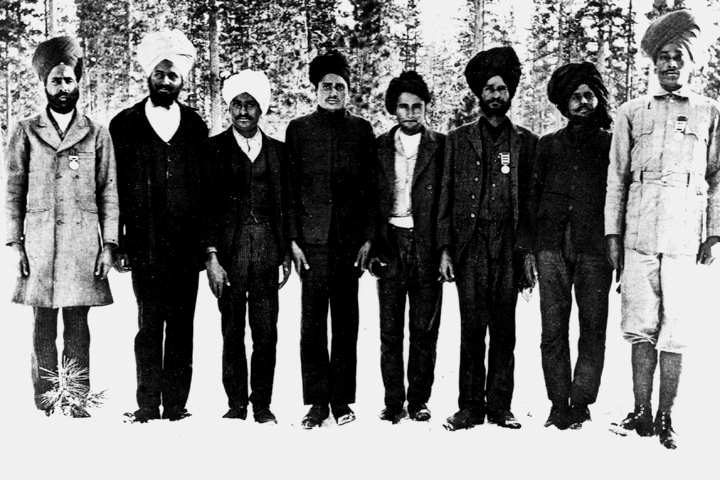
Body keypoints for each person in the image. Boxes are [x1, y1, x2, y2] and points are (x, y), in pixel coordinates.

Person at [606, 9, 720, 450]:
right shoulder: (631, 112)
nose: (671, 64)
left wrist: (713, 233)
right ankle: (641, 411)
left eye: (678, 57)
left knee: (677, 328)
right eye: (663, 58)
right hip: (639, 233)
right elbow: (617, 177)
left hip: (685, 237)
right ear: (653, 64)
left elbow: (717, 178)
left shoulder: (709, 112)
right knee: (640, 325)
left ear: (692, 63)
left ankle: (667, 415)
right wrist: (613, 235)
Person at [4, 36, 118, 416]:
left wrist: (108, 245)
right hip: (39, 242)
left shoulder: (96, 133)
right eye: (56, 81)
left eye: (69, 80)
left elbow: (109, 192)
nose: (64, 88)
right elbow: (13, 190)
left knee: (78, 322)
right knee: (42, 321)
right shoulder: (25, 130)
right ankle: (47, 398)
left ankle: (76, 396)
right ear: (45, 85)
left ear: (78, 82)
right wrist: (15, 243)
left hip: (82, 242)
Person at [109, 29, 208, 423]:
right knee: (148, 325)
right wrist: (119, 243)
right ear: (148, 75)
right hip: (144, 244)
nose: (165, 81)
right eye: (160, 74)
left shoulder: (195, 125)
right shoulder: (124, 124)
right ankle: (147, 404)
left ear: (183, 81)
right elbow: (114, 189)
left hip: (185, 246)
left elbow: (204, 190)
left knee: (182, 326)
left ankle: (177, 405)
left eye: (173, 75)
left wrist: (204, 246)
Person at [437, 46, 538, 431]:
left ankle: (500, 406)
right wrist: (446, 248)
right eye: (489, 89)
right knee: (471, 329)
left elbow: (531, 202)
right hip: (471, 245)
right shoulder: (457, 140)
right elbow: (445, 196)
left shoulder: (526, 141)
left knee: (504, 330)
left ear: (510, 93)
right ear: (479, 94)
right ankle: (469, 407)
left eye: (502, 88)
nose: (496, 95)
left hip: (509, 246)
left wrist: (527, 252)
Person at [516, 62, 613, 430]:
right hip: (551, 247)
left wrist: (615, 245)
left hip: (594, 249)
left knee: (593, 328)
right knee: (553, 329)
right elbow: (532, 198)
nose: (582, 102)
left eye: (588, 95)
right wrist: (528, 250)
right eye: (575, 96)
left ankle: (582, 401)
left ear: (598, 99)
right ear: (563, 104)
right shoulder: (548, 144)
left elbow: (619, 194)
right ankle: (558, 403)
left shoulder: (611, 144)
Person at [285, 50, 376, 428]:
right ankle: (316, 402)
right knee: (311, 325)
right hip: (312, 243)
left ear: (349, 90)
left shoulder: (362, 130)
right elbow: (290, 190)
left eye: (340, 86)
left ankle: (340, 401)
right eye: (327, 86)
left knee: (346, 322)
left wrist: (369, 238)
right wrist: (293, 239)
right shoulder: (299, 129)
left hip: (349, 244)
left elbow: (372, 189)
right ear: (316, 90)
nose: (333, 92)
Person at [201, 70, 291, 424]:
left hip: (267, 246)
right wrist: (211, 256)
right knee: (232, 328)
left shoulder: (278, 152)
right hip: (230, 250)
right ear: (229, 107)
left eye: (250, 104)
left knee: (266, 330)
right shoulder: (212, 150)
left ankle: (262, 404)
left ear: (261, 108)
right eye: (237, 104)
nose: (243, 111)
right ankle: (236, 403)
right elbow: (206, 208)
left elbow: (285, 205)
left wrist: (285, 252)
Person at [371, 71, 445, 424]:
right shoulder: (379, 146)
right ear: (394, 109)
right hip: (391, 243)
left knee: (424, 330)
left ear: (426, 108)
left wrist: (444, 249)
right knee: (389, 330)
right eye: (404, 106)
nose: (411, 113)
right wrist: (373, 246)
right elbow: (370, 200)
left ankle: (418, 400)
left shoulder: (441, 145)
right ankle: (392, 401)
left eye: (417, 106)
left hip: (426, 245)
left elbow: (447, 201)